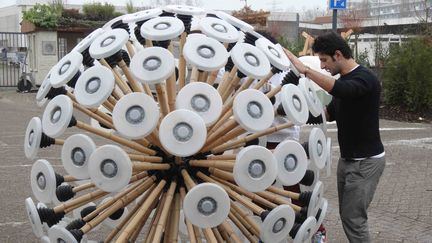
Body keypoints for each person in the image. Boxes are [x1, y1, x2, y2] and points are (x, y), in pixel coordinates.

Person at [284, 31, 386, 243]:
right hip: (348, 161)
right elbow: (327, 114)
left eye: (324, 60)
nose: (322, 66)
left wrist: (306, 71)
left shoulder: (366, 79)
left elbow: (342, 90)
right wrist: (291, 107)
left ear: (338, 55)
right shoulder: (343, 81)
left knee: (354, 219)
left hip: (366, 163)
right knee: (348, 217)